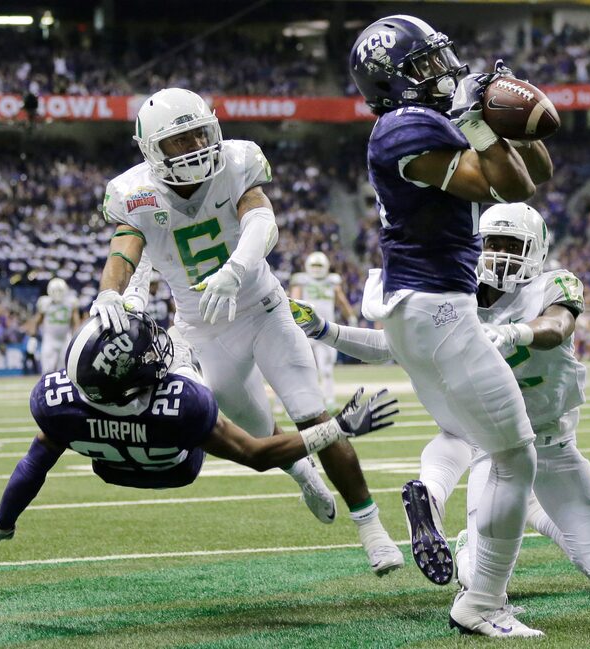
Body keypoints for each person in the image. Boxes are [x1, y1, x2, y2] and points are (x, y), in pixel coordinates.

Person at [93, 88, 403, 575]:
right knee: (255, 433)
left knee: (310, 412)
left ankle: (370, 526)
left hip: (263, 310)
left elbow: (262, 221)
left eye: (200, 131)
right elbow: (123, 254)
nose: (196, 144)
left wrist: (235, 270)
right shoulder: (134, 193)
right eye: (180, 139)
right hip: (203, 331)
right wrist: (110, 293)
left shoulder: (237, 161)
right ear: (153, 149)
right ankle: (302, 473)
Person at [291, 203, 590, 593]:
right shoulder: (456, 297)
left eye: (512, 245)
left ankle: (526, 507)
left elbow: (558, 324)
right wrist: (325, 330)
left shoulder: (552, 285)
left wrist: (516, 333)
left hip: (555, 444)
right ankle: (470, 543)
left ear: (536, 250)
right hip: (497, 445)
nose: (499, 254)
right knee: (476, 576)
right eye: (492, 243)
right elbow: (391, 345)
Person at [349, 15, 553, 637]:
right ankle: (481, 602)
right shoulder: (402, 129)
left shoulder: (422, 119)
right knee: (515, 456)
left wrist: (497, 117)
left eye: (439, 59)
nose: (440, 73)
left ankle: (435, 505)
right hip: (436, 307)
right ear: (391, 83)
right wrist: (474, 122)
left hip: (426, 308)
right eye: (422, 67)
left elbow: (532, 175)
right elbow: (505, 190)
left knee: (469, 437)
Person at [0, 313, 397, 547]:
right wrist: (337, 428)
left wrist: (1, 524)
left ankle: (303, 474)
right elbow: (256, 455)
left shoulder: (58, 405)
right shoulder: (180, 404)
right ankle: (304, 473)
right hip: (176, 462)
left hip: (117, 468)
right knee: (190, 352)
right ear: (130, 386)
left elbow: (33, 466)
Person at [290, 252, 358, 410]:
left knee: (326, 369)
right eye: (314, 265)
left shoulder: (332, 281)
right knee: (301, 368)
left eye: (319, 265)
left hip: (325, 331)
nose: (316, 269)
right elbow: (293, 302)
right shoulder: (302, 280)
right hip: (304, 331)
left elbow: (341, 300)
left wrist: (351, 317)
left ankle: (329, 400)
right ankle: (299, 403)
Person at [29, 277, 80, 373]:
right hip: (49, 339)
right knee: (47, 370)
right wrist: (32, 337)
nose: (57, 294)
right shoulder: (45, 302)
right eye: (55, 291)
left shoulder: (71, 302)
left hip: (65, 339)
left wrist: (76, 338)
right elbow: (36, 321)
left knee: (65, 371)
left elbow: (76, 322)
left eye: (59, 291)